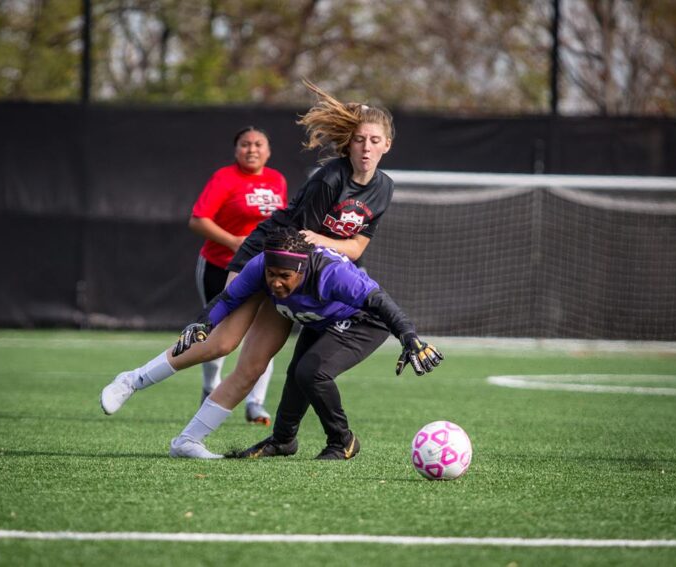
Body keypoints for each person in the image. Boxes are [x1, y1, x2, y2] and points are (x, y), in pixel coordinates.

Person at [100, 80, 397, 458]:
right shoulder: (329, 179)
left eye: (374, 140)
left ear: (387, 144)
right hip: (270, 256)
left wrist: (328, 252)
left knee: (253, 367)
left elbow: (355, 247)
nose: (366, 147)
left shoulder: (384, 188)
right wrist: (325, 256)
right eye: (359, 139)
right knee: (221, 342)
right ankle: (131, 380)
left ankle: (187, 442)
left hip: (301, 272)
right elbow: (297, 242)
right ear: (348, 144)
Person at [173, 227, 443, 460]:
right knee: (296, 375)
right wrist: (203, 323)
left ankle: (342, 441)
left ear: (302, 269)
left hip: (365, 321)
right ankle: (282, 441)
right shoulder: (259, 266)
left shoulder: (333, 274)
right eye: (271, 274)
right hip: (323, 319)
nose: (275, 283)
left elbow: (379, 301)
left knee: (312, 373)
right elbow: (229, 299)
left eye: (284, 276)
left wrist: (408, 337)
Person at [188, 126, 287, 425]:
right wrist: (233, 242)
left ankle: (255, 403)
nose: (252, 149)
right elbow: (198, 220)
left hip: (262, 270)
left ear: (268, 151)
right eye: (245, 144)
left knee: (262, 335)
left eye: (259, 144)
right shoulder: (225, 178)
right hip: (220, 266)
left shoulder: (276, 180)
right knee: (218, 334)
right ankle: (210, 385)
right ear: (236, 150)